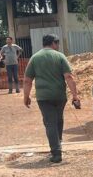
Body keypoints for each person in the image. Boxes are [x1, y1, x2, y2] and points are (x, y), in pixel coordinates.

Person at [23, 34, 81, 163]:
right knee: (58, 119)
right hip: (60, 96)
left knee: (50, 122)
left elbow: (27, 80)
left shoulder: (35, 57)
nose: (58, 46)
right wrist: (75, 96)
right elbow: (69, 77)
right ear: (53, 43)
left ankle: (56, 152)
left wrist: (26, 97)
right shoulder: (60, 56)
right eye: (57, 43)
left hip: (44, 97)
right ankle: (58, 143)